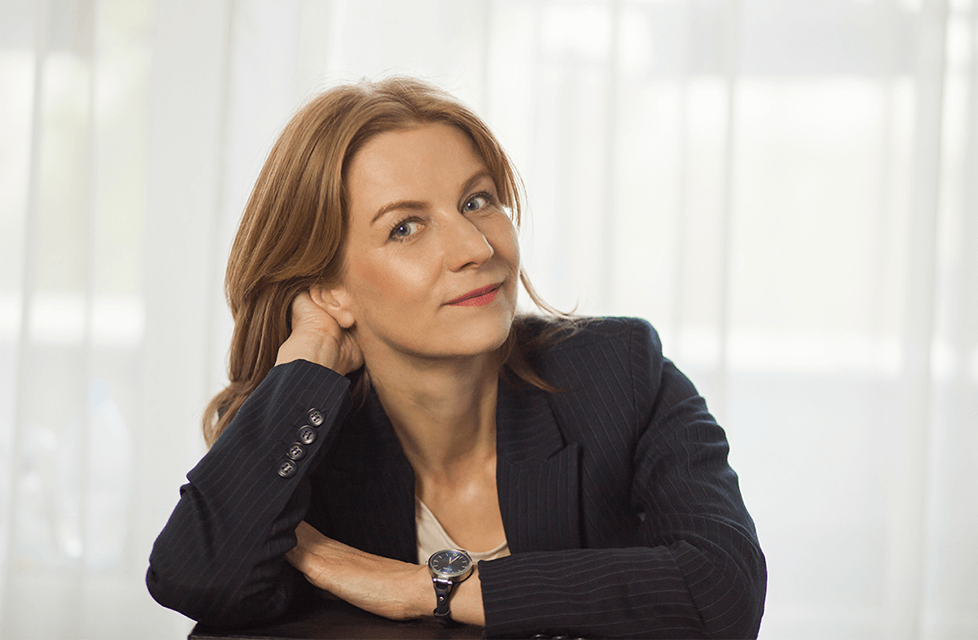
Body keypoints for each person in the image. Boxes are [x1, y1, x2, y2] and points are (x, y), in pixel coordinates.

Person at [146, 76, 766, 639]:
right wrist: (308, 357)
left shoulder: (619, 372)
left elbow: (723, 590)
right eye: (406, 227)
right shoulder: (302, 437)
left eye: (477, 201)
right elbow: (195, 580)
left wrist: (423, 589)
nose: (475, 247)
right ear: (330, 289)